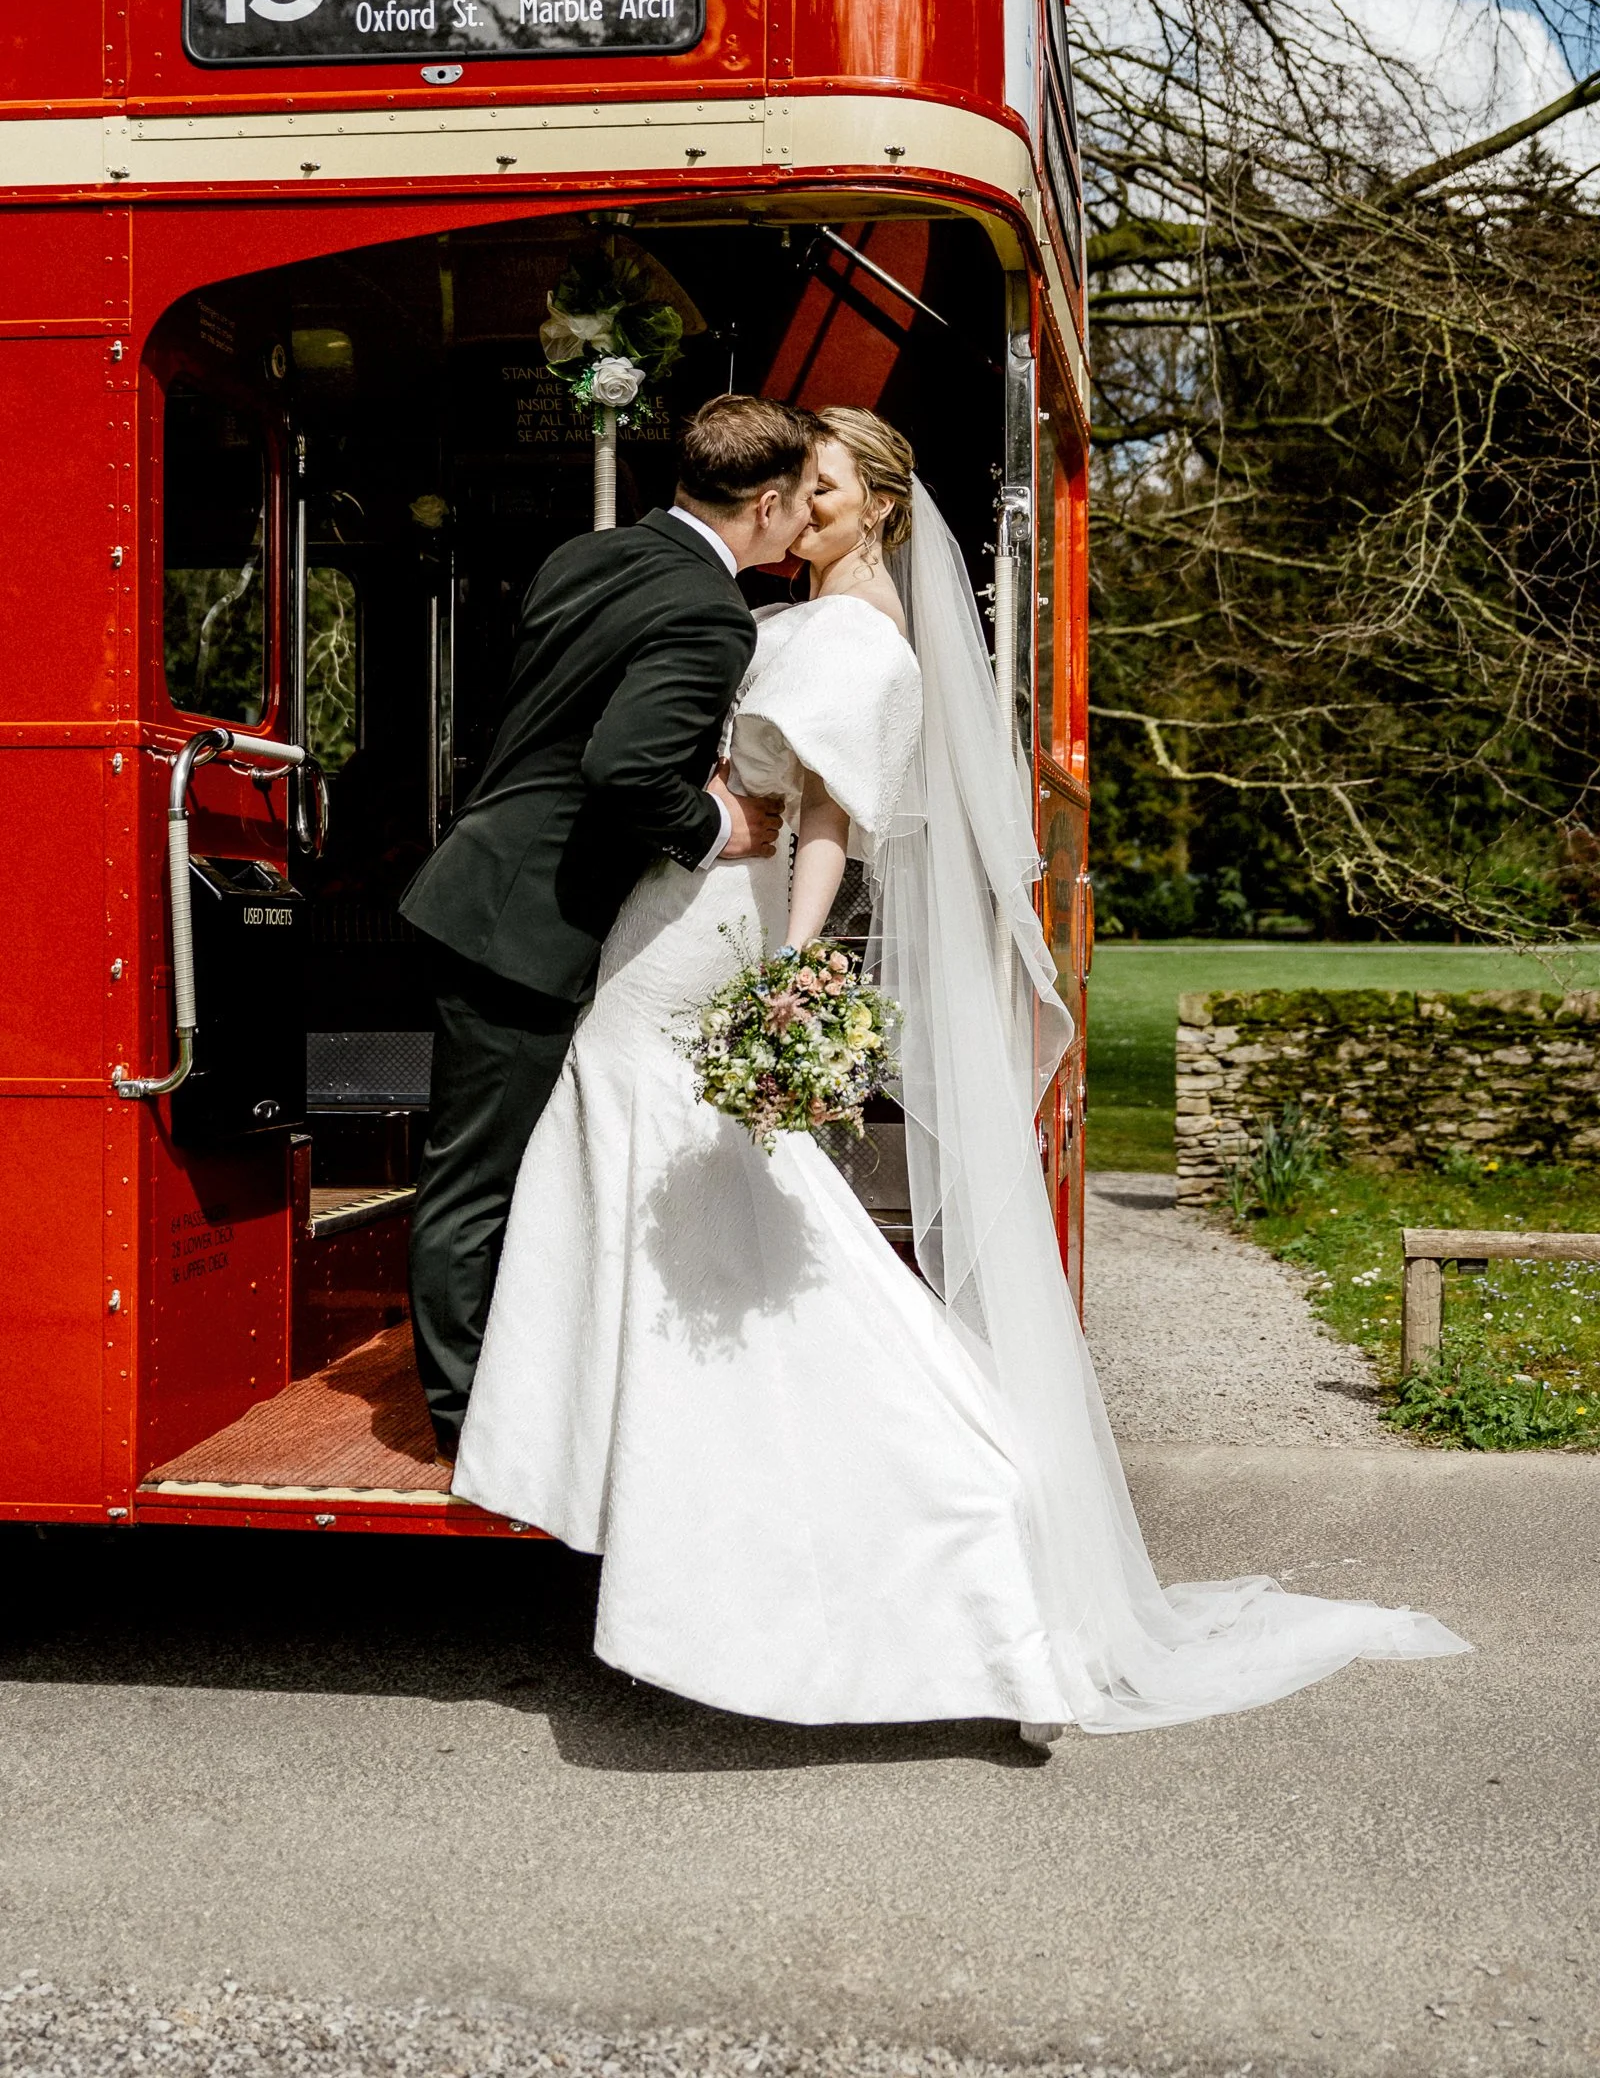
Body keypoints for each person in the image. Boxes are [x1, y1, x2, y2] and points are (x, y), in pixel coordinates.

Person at [453, 407, 1469, 1737]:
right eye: (797, 486)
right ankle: (636, 1472)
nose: (798, 506)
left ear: (877, 503)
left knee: (712, 1189)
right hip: (672, 913)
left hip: (713, 934)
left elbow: (827, 822)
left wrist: (790, 973)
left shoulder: (866, 643)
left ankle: (949, 1488)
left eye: (819, 488)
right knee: (669, 1185)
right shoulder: (802, 619)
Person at [400, 394, 822, 1461]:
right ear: (764, 504)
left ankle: (503, 1398)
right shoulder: (710, 610)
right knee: (477, 1179)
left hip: (487, 887)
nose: (804, 520)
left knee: (490, 1168)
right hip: (520, 919)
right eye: (799, 502)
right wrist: (715, 818)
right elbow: (623, 767)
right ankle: (464, 1429)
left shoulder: (583, 558)